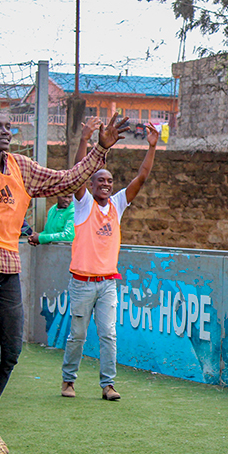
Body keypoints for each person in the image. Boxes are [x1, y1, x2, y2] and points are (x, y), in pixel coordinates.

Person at [0, 79, 129, 454]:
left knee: (10, 351)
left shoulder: (21, 167)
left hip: (9, 265)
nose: (6, 132)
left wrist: (101, 148)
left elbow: (68, 180)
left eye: (9, 127)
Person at [60, 119, 160, 401]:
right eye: (100, 180)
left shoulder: (117, 204)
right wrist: (85, 138)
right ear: (90, 184)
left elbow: (141, 177)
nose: (105, 184)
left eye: (109, 181)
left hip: (107, 284)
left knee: (108, 335)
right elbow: (76, 173)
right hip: (81, 283)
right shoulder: (83, 204)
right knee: (77, 335)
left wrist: (152, 147)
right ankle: (69, 380)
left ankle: (108, 385)